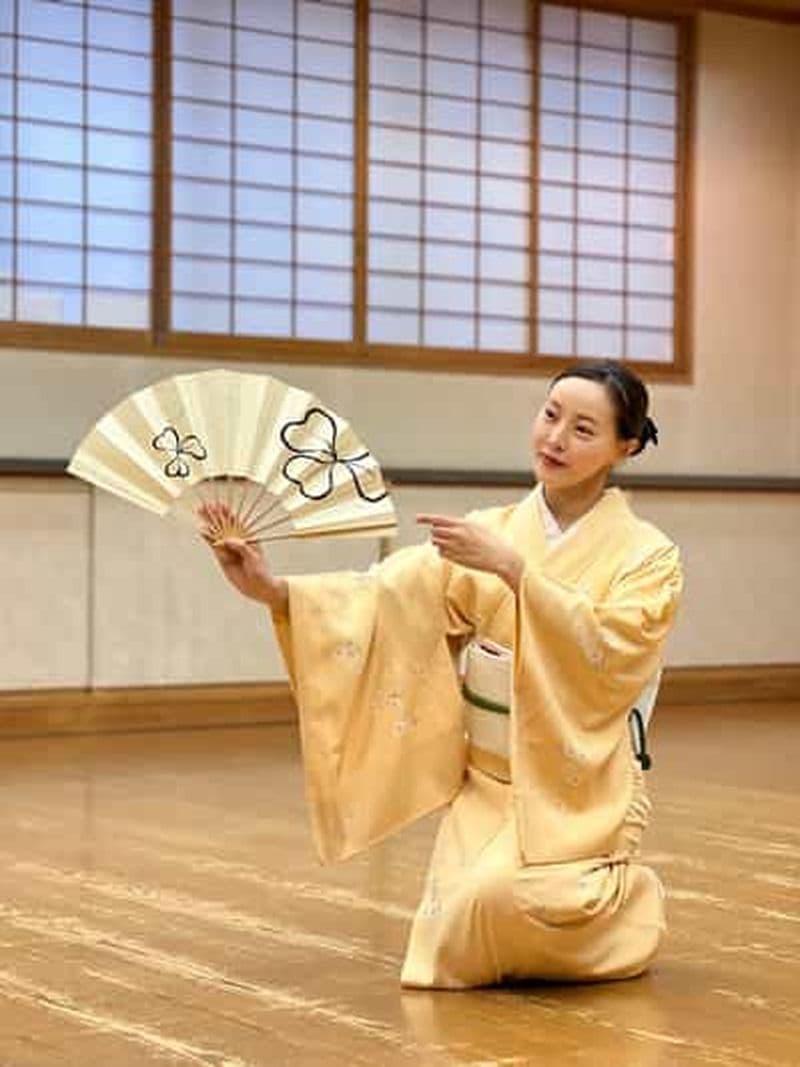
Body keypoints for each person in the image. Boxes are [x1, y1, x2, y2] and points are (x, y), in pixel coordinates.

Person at [202, 360, 683, 989]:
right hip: (490, 783)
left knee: (494, 905)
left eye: (583, 429)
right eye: (550, 415)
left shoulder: (648, 556)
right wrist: (273, 590)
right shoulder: (490, 531)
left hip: (579, 786)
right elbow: (385, 596)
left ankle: (626, 906)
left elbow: (615, 648)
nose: (555, 438)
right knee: (455, 933)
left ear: (626, 447)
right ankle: (576, 904)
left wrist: (516, 572)